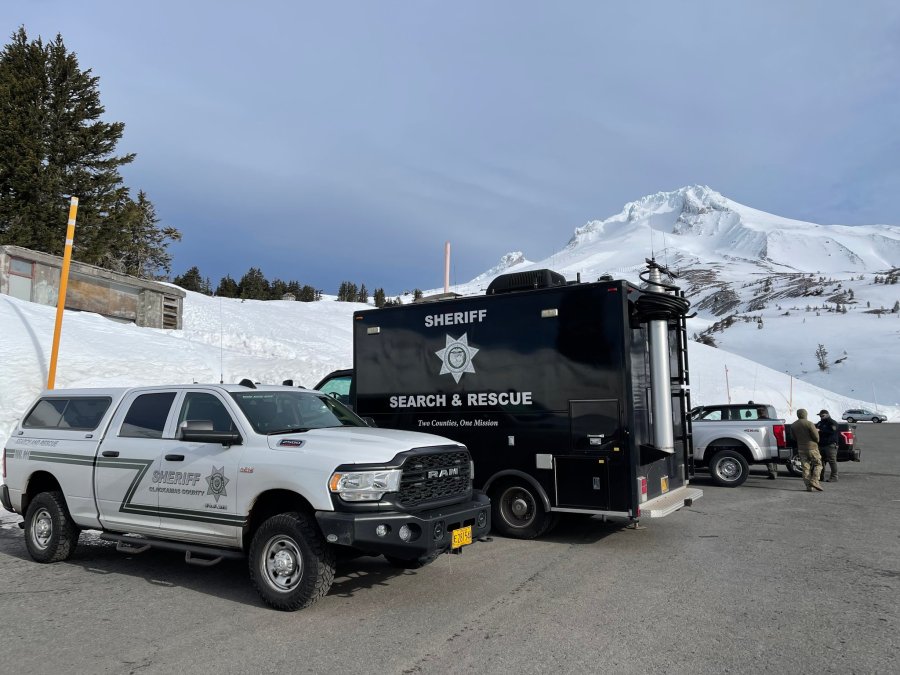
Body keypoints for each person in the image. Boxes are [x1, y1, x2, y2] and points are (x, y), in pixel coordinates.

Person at [790, 409, 822, 491]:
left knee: (805, 467)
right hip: (812, 448)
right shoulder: (809, 423)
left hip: (801, 448)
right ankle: (815, 480)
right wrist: (817, 440)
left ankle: (808, 486)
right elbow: (816, 437)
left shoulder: (793, 425)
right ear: (805, 414)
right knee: (818, 464)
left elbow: (793, 437)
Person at [816, 409, 840, 482]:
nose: (821, 417)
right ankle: (820, 476)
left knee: (832, 461)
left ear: (827, 415)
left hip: (830, 445)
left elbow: (832, 431)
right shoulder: (820, 423)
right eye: (820, 415)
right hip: (821, 445)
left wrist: (821, 430)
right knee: (821, 461)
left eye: (822, 415)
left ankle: (834, 477)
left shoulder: (832, 422)